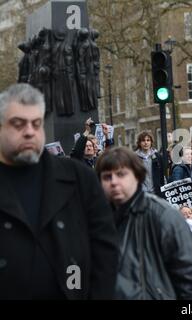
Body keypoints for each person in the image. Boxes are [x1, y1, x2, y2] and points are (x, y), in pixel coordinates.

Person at [0, 83, 118, 299]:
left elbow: (105, 251)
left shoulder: (79, 179)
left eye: (36, 124)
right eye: (18, 124)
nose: (29, 132)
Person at [96, 147, 192, 299]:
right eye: (107, 177)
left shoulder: (164, 216)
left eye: (121, 174)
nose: (114, 182)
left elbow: (189, 284)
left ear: (137, 176)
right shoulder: (95, 220)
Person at [135, 130, 164, 198]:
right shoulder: (134, 157)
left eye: (148, 140)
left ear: (151, 142)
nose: (146, 143)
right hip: (141, 194)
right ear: (139, 143)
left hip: (156, 193)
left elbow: (162, 176)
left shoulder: (157, 156)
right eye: (143, 140)